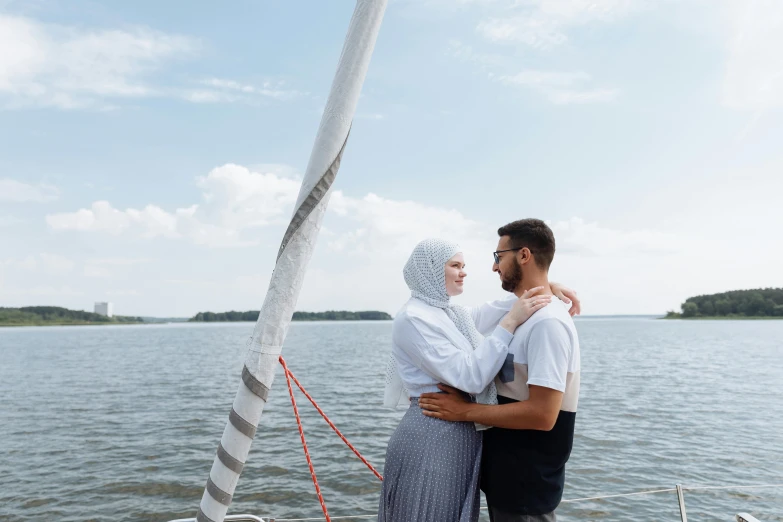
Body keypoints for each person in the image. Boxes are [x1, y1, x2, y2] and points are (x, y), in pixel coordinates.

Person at [378, 238, 577, 522]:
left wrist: (547, 286)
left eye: (464, 266)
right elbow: (470, 378)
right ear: (431, 270)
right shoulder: (413, 318)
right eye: (455, 266)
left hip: (456, 433)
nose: (464, 272)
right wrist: (508, 324)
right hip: (433, 433)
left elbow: (503, 304)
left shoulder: (450, 313)